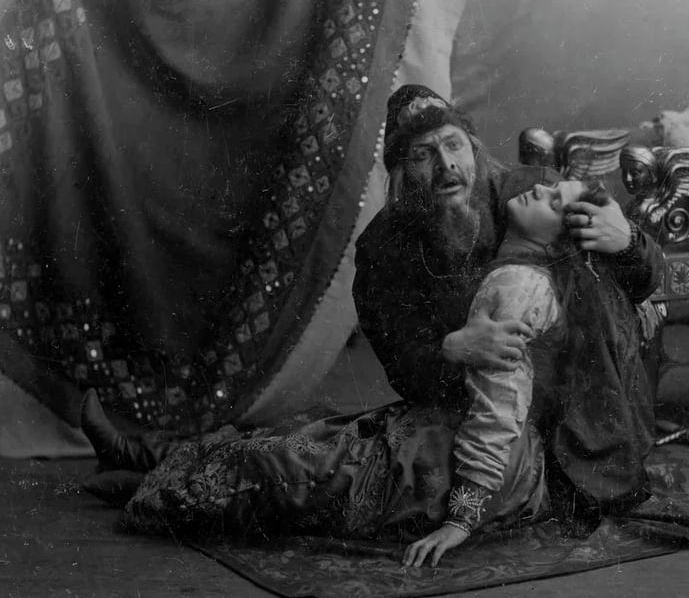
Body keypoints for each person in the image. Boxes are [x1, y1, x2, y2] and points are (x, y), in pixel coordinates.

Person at [79, 177, 657, 569]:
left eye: (555, 200)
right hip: (471, 440)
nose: (541, 187)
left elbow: (499, 409)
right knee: (312, 435)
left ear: (558, 238)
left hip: (482, 466)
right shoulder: (514, 250)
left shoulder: (518, 285)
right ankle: (144, 461)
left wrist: (462, 519)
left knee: (292, 467)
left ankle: (143, 482)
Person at [352, 84, 666, 415]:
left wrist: (627, 241)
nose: (446, 165)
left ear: (473, 147)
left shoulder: (536, 192)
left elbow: (645, 283)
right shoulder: (381, 247)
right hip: (467, 409)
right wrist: (452, 349)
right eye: (423, 155)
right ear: (401, 175)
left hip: (568, 404)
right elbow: (401, 367)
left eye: (453, 145)